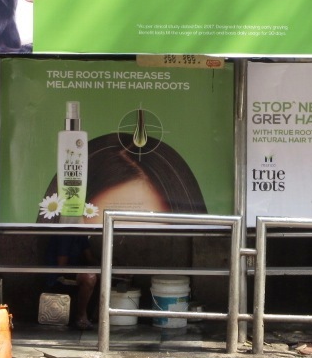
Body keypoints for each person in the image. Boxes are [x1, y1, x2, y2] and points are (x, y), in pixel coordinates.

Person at [36, 132, 207, 328]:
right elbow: (62, 267)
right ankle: (82, 317)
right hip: (60, 278)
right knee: (91, 276)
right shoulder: (68, 230)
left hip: (77, 274)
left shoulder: (81, 233)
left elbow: (90, 257)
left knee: (100, 274)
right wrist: (96, 270)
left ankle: (95, 316)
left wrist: (113, 269)